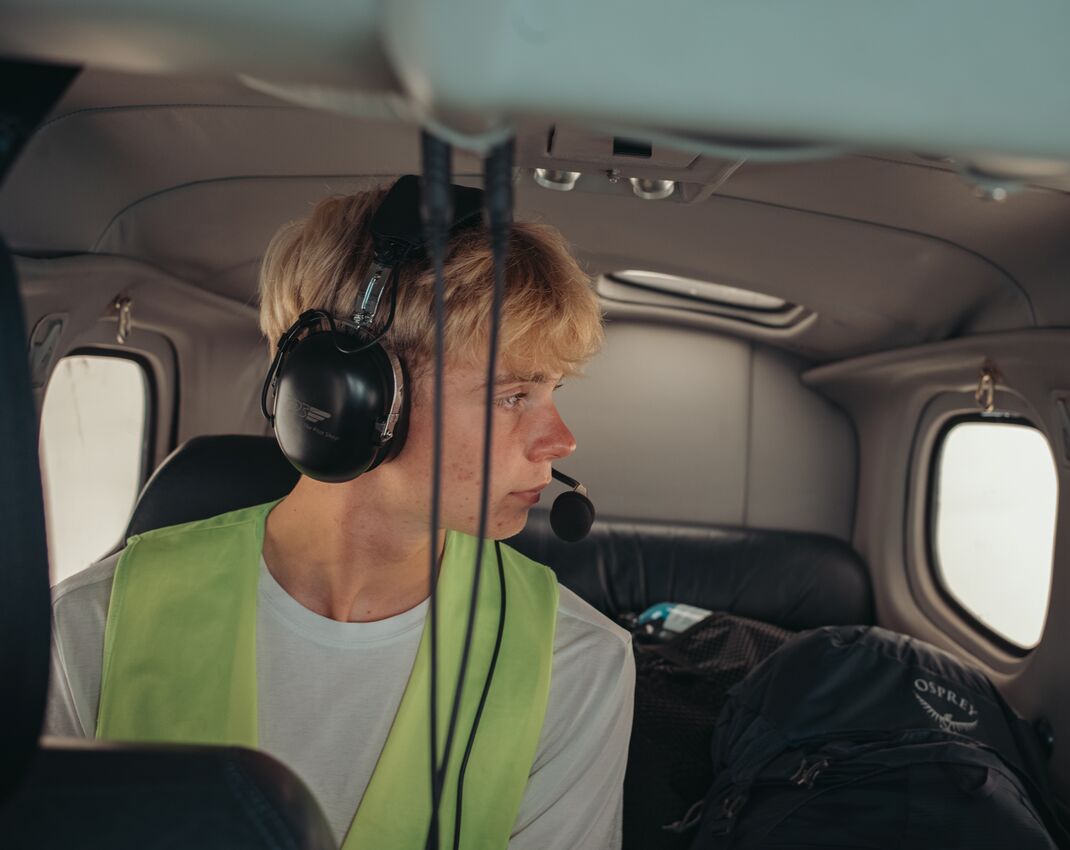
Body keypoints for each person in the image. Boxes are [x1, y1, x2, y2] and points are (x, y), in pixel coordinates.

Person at [43, 182, 635, 849]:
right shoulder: (89, 627)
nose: (562, 441)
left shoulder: (578, 664)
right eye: (512, 396)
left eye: (552, 391)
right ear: (349, 398)